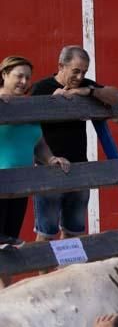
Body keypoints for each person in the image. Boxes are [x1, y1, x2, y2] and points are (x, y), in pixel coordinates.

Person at [29, 46, 118, 242]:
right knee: (46, 233)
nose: (80, 76)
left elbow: (116, 97)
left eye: (84, 72)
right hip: (49, 168)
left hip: (79, 168)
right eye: (76, 71)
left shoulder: (84, 85)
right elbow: (29, 127)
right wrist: (51, 103)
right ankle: (43, 274)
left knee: (74, 232)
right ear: (61, 66)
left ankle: (68, 271)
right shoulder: (42, 88)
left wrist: (87, 91)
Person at [0, 56, 71, 250]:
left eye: (28, 78)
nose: (24, 82)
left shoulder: (27, 107)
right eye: (19, 76)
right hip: (2, 182)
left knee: (9, 247)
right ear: (4, 75)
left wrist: (50, 158)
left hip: (22, 183)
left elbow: (38, 141)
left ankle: (9, 282)